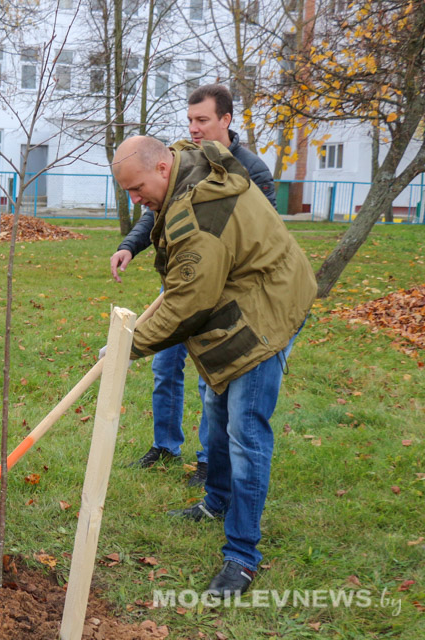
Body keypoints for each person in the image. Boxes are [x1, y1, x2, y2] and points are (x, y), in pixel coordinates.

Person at [107, 135, 315, 595]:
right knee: (217, 411)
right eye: (127, 192)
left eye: (137, 188)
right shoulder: (183, 168)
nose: (135, 200)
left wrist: (129, 345)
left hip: (266, 311)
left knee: (245, 432)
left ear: (162, 168)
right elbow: (191, 279)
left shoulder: (201, 213)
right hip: (241, 292)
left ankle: (241, 555)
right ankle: (217, 500)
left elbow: (188, 303)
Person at [110, 85, 277, 487]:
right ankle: (165, 445)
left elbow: (257, 236)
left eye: (202, 120)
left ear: (226, 120)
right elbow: (157, 207)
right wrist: (130, 246)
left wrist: (203, 274)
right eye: (190, 120)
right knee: (165, 366)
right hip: (186, 282)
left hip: (221, 294)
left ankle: (208, 461)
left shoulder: (251, 170)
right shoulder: (183, 159)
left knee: (211, 379)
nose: (194, 128)